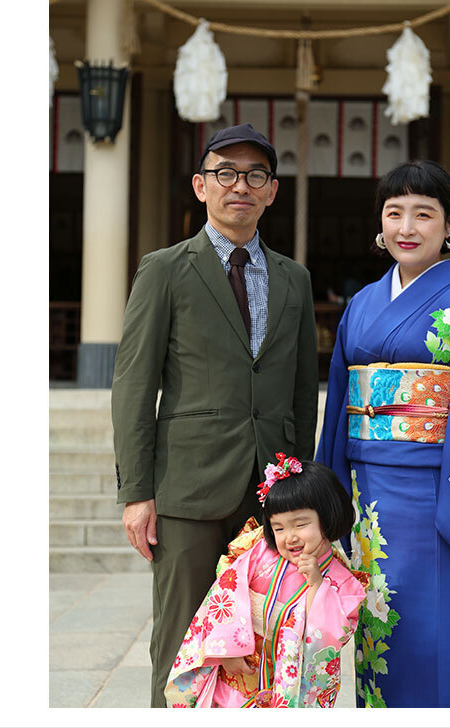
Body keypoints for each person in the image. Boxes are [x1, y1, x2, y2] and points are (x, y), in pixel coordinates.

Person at [111, 124, 319, 707]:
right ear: (201, 186)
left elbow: (304, 393)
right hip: (188, 489)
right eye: (225, 174)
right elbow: (133, 384)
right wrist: (137, 491)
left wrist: (298, 488)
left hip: (271, 493)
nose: (240, 186)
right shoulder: (166, 268)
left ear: (272, 191)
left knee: (266, 644)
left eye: (255, 176)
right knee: (182, 648)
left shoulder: (293, 279)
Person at [316, 160, 450, 708]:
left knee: (442, 631)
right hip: (371, 497)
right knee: (379, 635)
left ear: (449, 224)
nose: (407, 227)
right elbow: (341, 402)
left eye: (423, 213)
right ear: (380, 224)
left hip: (446, 491)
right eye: (394, 213)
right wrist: (329, 495)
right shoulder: (363, 305)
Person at [164, 455, 367, 708]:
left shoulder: (341, 581)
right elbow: (225, 592)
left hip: (288, 688)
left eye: (301, 524)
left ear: (327, 517)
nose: (290, 537)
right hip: (239, 675)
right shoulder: (259, 551)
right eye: (279, 528)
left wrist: (317, 585)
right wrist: (227, 650)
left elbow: (330, 636)